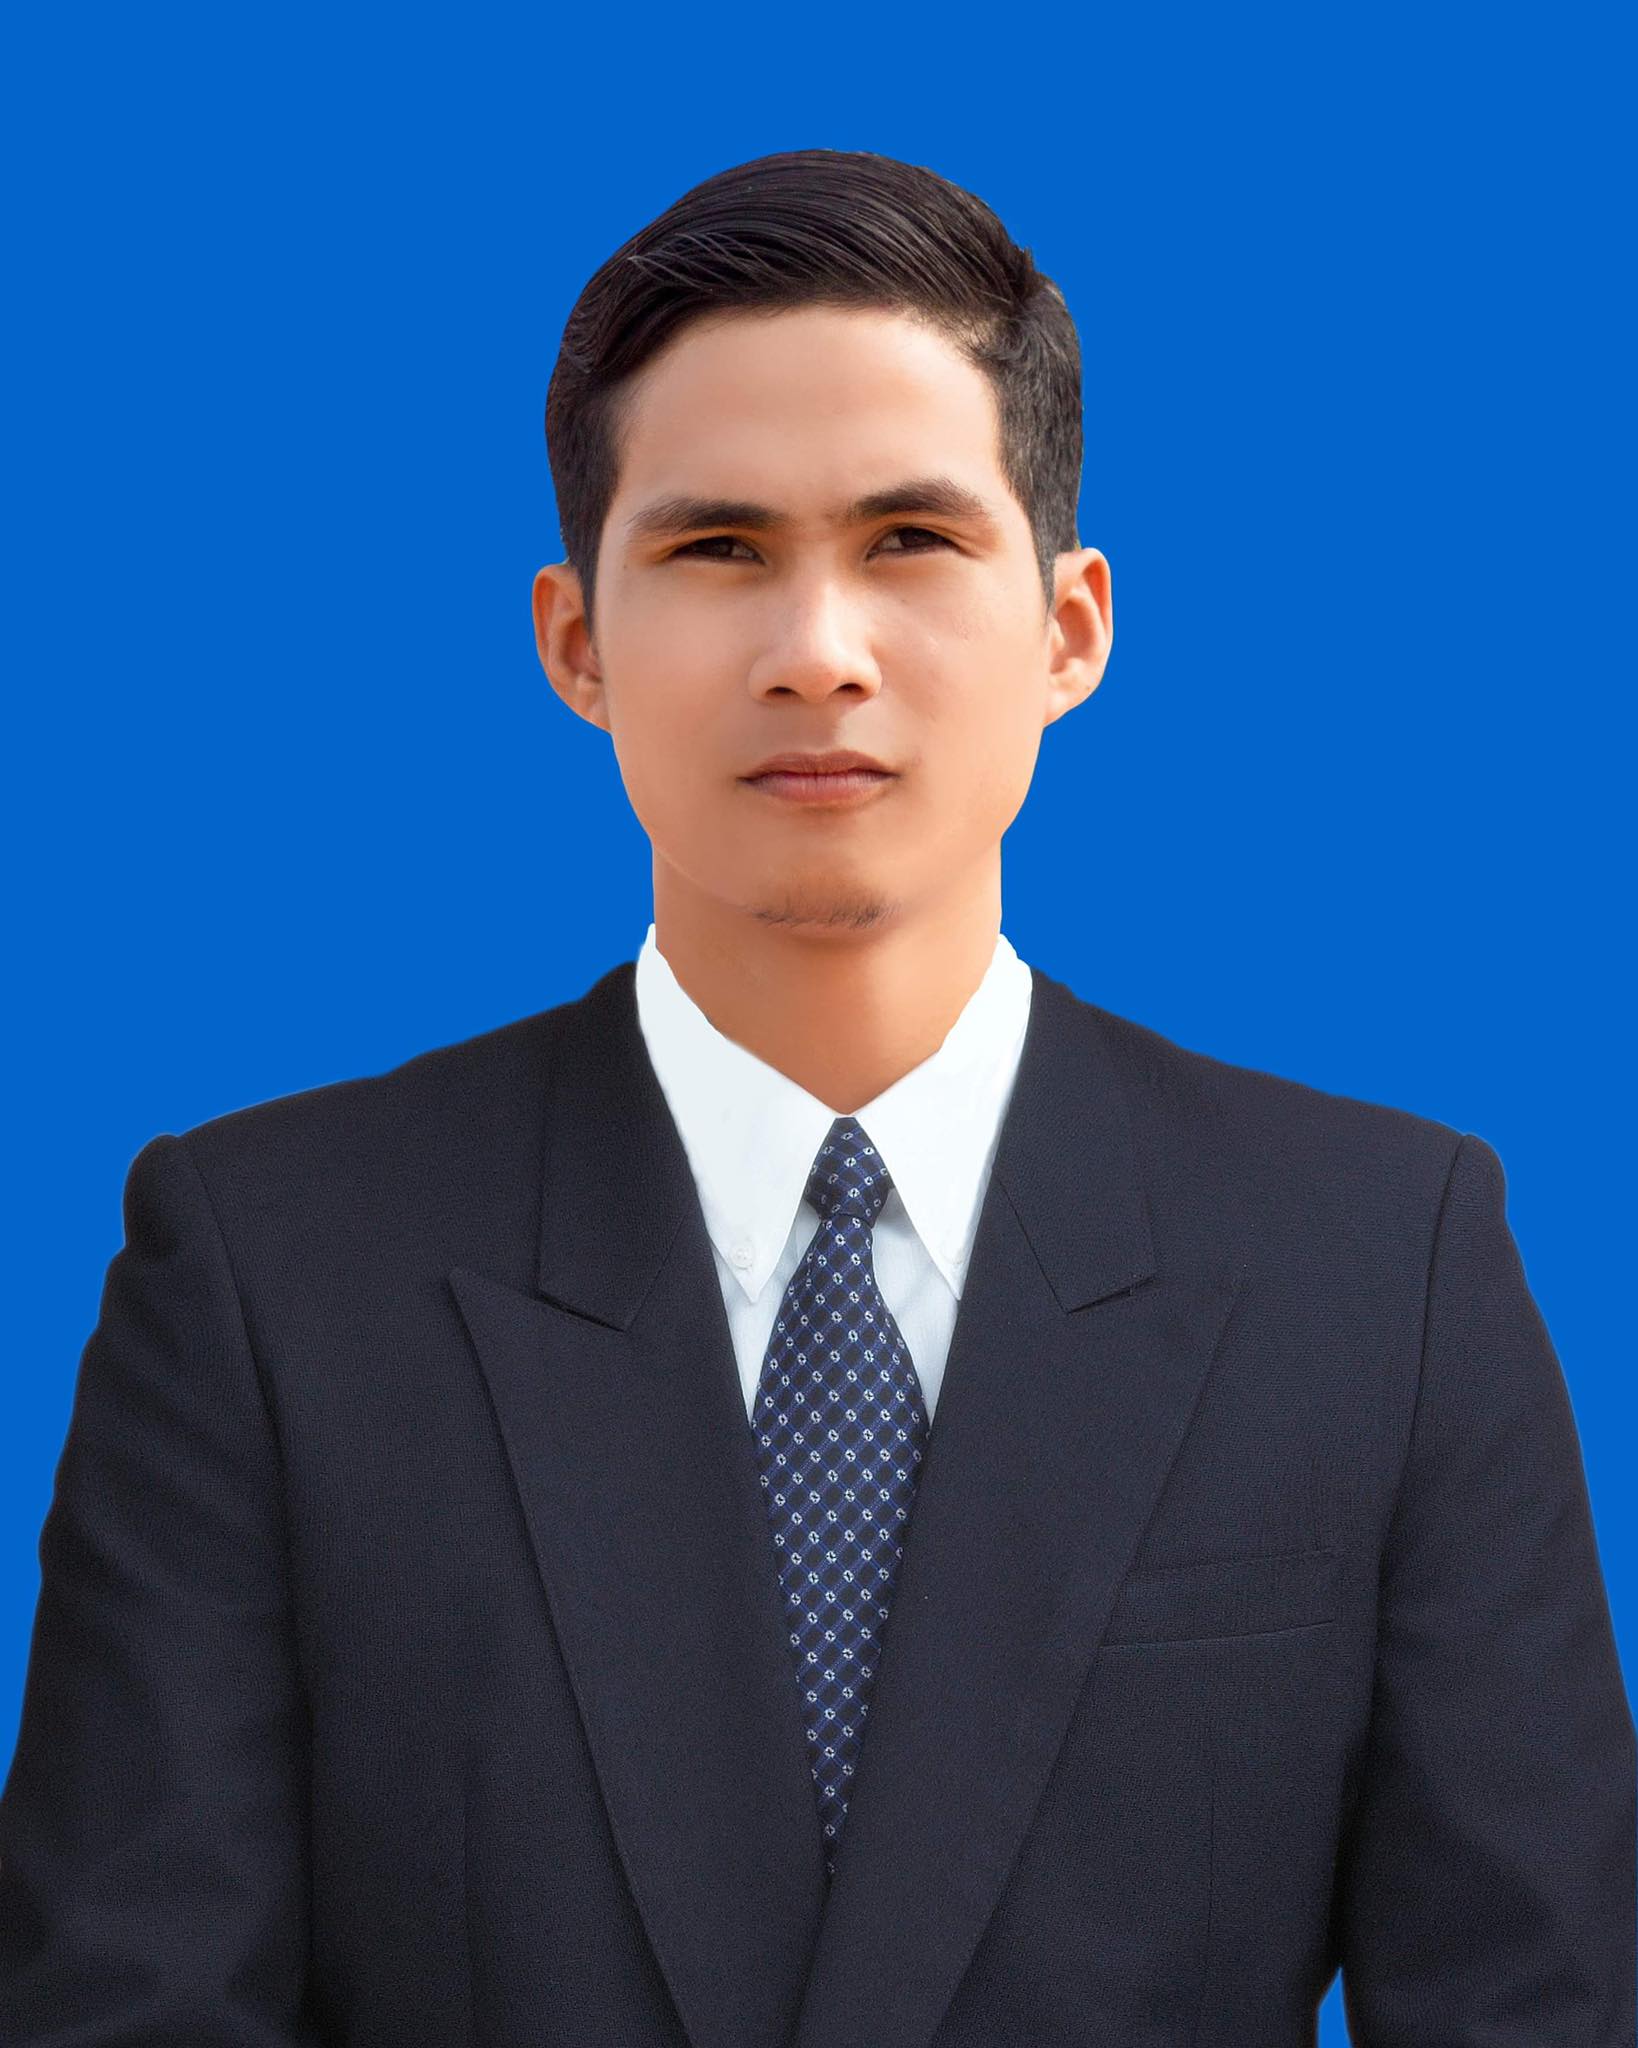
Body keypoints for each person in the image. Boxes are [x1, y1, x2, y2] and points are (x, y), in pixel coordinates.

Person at [1, 147, 1631, 2046]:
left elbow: (1533, 2006)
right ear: (575, 640)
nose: (818, 655)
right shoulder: (271, 1272)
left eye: (910, 541)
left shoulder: (1379, 1268)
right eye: (718, 551)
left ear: (1070, 627)